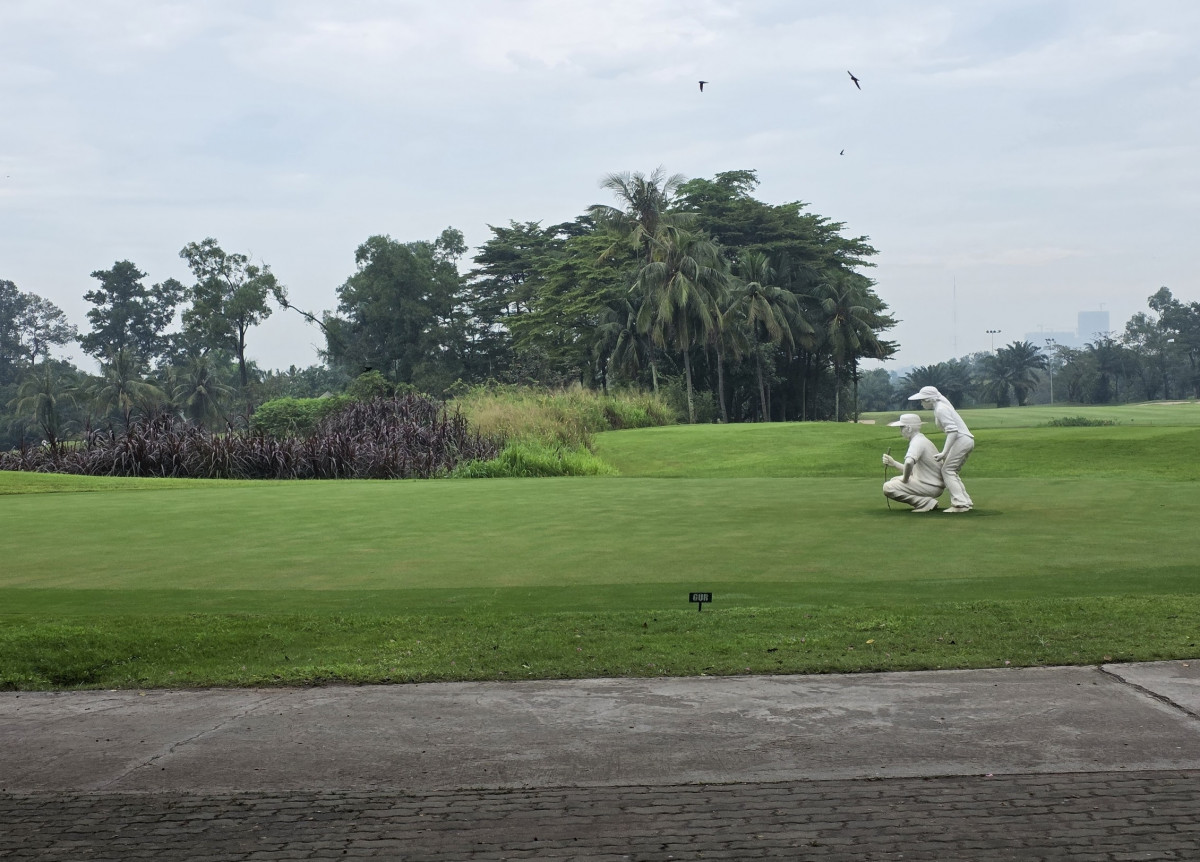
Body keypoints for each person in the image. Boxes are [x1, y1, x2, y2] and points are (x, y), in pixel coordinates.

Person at [908, 385, 974, 513]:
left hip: (962, 440)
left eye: (922, 400)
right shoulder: (940, 407)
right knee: (951, 471)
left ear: (928, 399)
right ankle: (965, 501)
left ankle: (960, 504)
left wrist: (944, 452)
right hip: (964, 440)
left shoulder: (941, 409)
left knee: (947, 471)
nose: (921, 403)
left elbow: (953, 431)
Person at [882, 413, 944, 512]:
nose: (900, 431)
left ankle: (924, 503)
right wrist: (894, 463)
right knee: (894, 480)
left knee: (888, 487)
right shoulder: (921, 440)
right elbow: (912, 470)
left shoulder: (917, 442)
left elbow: (909, 463)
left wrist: (905, 479)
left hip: (930, 486)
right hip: (932, 484)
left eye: (902, 427)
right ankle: (926, 502)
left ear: (909, 428)